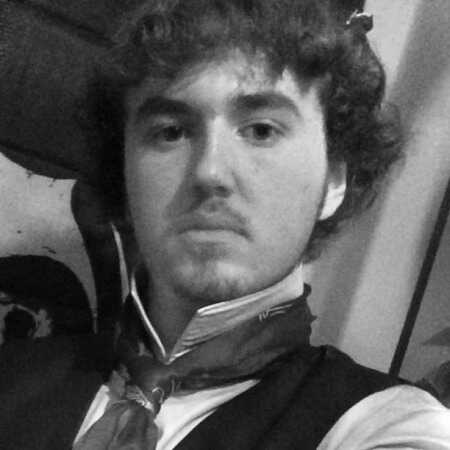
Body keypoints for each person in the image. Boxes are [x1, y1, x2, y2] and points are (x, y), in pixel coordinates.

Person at [1, 1, 449, 449]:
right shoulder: (11, 375)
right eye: (171, 131)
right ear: (125, 173)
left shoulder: (387, 424)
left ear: (334, 181)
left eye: (261, 130)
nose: (209, 171)